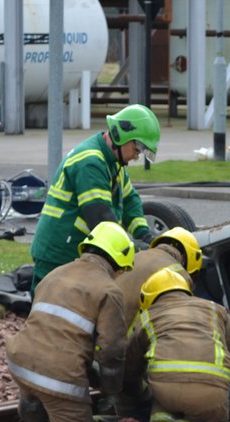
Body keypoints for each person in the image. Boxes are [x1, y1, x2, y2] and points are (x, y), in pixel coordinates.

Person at [5, 221, 135, 422]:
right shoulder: (109, 290)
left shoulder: (56, 274)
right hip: (57, 375)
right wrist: (110, 391)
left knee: (38, 397)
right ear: (120, 260)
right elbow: (111, 352)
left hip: (20, 362)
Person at [29, 104, 161, 293]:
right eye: (137, 148)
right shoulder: (90, 162)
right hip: (58, 254)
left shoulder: (115, 163)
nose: (136, 156)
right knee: (50, 314)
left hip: (74, 249)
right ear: (121, 135)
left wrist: (144, 234)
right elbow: (101, 218)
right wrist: (132, 249)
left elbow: (130, 199)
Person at [125, 267, 230, 422]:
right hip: (210, 392)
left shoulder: (147, 317)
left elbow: (129, 368)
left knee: (161, 404)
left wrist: (138, 396)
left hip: (166, 390)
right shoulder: (215, 310)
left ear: (148, 300)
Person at [115, 226, 203, 330]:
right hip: (128, 335)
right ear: (185, 257)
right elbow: (182, 317)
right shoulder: (179, 275)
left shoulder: (135, 256)